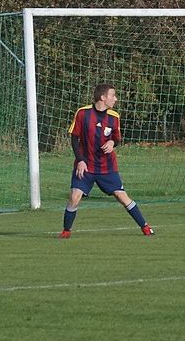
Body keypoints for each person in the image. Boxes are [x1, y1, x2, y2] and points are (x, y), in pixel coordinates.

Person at [59, 83, 154, 238]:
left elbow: (117, 139)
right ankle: (66, 231)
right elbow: (74, 138)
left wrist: (112, 142)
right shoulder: (83, 113)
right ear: (103, 97)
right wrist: (80, 160)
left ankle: (145, 227)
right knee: (74, 197)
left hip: (107, 167)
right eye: (113, 95)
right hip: (86, 165)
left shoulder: (114, 117)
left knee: (122, 197)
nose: (115, 99)